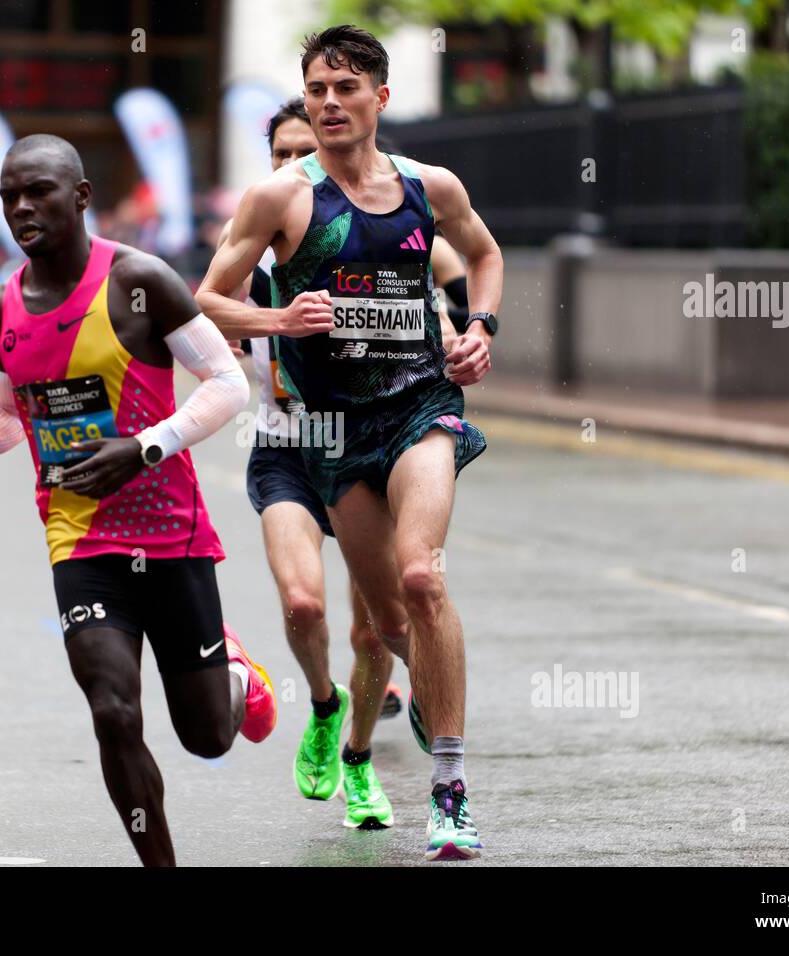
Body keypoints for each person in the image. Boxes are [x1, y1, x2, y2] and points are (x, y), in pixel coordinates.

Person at [0, 134, 276, 867]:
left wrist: (142, 448)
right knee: (112, 710)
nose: (20, 206)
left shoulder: (140, 281)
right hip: (79, 540)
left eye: (38, 190)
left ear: (80, 196)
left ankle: (235, 673)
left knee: (207, 736)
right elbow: (11, 420)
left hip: (172, 537)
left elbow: (230, 386)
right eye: (10, 193)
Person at [197, 25, 503, 861]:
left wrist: (480, 328)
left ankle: (448, 784)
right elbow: (205, 299)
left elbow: (483, 253)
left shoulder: (426, 187)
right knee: (389, 624)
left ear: (380, 98)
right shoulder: (279, 201)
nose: (331, 102)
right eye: (318, 88)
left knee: (420, 577)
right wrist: (277, 319)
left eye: (346, 88)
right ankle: (353, 715)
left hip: (418, 407)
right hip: (324, 435)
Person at [215, 97, 397, 830]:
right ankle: (323, 703)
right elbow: (200, 309)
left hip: (365, 446)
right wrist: (249, 334)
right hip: (288, 441)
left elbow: (434, 282)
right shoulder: (253, 239)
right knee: (303, 605)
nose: (294, 168)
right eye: (280, 156)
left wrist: (462, 326)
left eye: (305, 154)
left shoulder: (371, 229)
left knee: (372, 627)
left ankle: (357, 757)